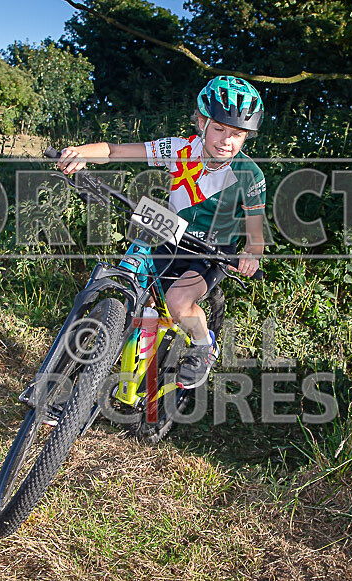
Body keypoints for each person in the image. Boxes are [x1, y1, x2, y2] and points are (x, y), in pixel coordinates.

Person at [56, 75, 266, 389]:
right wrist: (81, 153)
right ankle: (102, 353)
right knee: (132, 275)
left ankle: (203, 344)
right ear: (201, 122)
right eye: (219, 129)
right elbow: (115, 151)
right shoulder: (180, 150)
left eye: (237, 134)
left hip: (211, 252)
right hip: (170, 233)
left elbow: (256, 233)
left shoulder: (249, 175)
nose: (227, 141)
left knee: (179, 302)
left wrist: (251, 255)